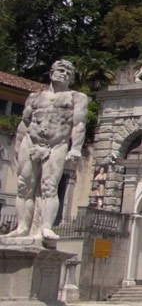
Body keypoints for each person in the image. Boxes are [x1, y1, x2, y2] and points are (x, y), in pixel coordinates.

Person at [2, 59, 88, 241]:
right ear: (51, 72)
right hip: (30, 141)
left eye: (68, 72)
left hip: (56, 144)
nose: (63, 73)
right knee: (24, 186)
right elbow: (25, 122)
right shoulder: (34, 97)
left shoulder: (76, 97)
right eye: (60, 70)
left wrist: (76, 148)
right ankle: (22, 227)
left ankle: (46, 227)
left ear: (71, 78)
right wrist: (18, 146)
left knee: (49, 187)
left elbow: (79, 124)